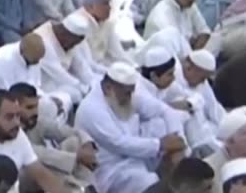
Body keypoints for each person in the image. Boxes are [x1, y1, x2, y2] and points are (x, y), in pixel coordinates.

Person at [74, 63, 188, 193]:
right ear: (108, 88)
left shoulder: (125, 94)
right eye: (127, 93)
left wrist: (177, 138)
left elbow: (165, 110)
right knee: (148, 182)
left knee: (162, 124)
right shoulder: (92, 108)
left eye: (132, 91)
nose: (131, 96)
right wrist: (161, 144)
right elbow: (119, 143)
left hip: (135, 157)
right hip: (111, 169)